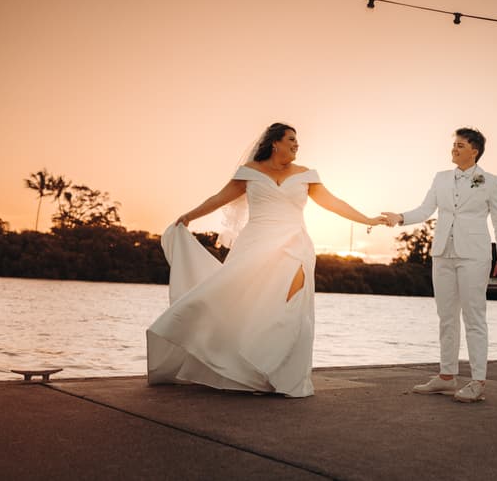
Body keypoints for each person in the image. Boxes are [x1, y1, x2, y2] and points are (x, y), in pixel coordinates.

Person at [147, 123, 386, 398]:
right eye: (292, 139)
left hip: (295, 244)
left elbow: (334, 203)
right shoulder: (249, 173)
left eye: (298, 140)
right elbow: (218, 198)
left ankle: (281, 374)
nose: (297, 145)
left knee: (291, 303)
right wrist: (188, 216)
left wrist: (367, 219)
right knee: (248, 303)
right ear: (275, 143)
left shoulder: (307, 175)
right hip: (255, 244)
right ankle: (251, 372)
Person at [383, 127, 497, 403]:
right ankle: (446, 376)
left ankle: (478, 381)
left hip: (474, 255)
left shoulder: (490, 181)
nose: (454, 149)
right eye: (454, 144)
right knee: (446, 316)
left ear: (474, 150)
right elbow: (425, 210)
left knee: (474, 317)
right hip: (442, 254)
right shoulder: (440, 178)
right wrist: (399, 217)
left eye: (460, 145)